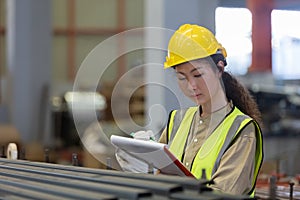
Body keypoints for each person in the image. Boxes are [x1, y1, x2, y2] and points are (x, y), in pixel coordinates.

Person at [116, 24, 263, 197]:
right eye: (182, 77)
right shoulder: (177, 120)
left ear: (219, 69)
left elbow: (223, 195)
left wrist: (154, 178)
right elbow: (161, 179)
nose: (191, 86)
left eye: (198, 75)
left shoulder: (242, 130)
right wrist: (145, 163)